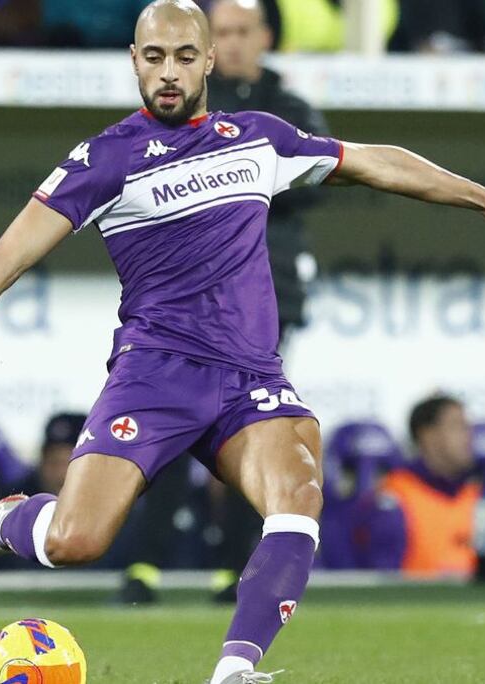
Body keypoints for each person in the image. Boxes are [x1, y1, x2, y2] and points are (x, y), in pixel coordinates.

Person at [0, 2, 485, 680]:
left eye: (184, 56)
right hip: (155, 374)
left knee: (298, 496)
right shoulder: (106, 159)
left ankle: (235, 669)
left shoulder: (257, 136)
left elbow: (375, 160)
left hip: (247, 376)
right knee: (76, 541)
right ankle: (8, 523)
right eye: (155, 56)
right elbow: (1, 261)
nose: (169, 70)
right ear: (134, 60)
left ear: (208, 63)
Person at [116, 0, 334, 607]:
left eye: (243, 32)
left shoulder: (281, 111)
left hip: (263, 297)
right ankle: (144, 566)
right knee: (164, 436)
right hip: (180, 305)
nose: (233, 44)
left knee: (249, 438)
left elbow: (318, 179)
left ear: (263, 37)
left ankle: (233, 572)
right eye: (224, 33)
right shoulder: (180, 109)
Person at [379, 395, 481, 576]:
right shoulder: (394, 494)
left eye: (468, 427)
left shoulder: (477, 494)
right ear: (428, 435)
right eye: (457, 426)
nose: (469, 436)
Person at [4, 412, 88, 497]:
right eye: (53, 463)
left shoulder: (100, 496)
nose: (60, 473)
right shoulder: (19, 499)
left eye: (69, 463)